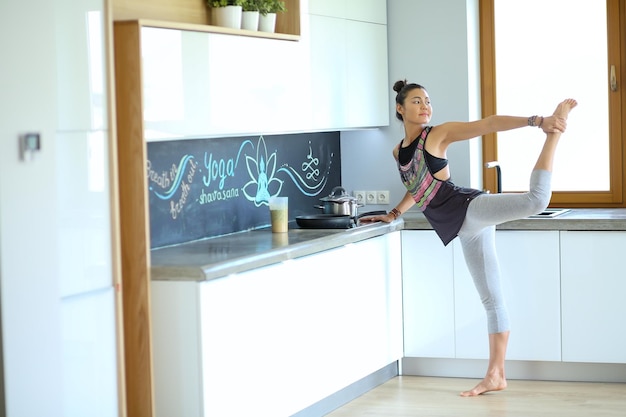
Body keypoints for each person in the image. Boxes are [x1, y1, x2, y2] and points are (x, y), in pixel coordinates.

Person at [361, 80, 577, 396]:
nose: (425, 106)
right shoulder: (399, 151)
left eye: (428, 101)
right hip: (463, 228)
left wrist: (538, 122)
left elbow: (486, 125)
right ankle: (496, 375)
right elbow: (417, 186)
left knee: (536, 200)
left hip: (467, 208)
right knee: (492, 300)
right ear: (400, 108)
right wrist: (393, 213)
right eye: (417, 101)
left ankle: (554, 135)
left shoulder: (437, 135)